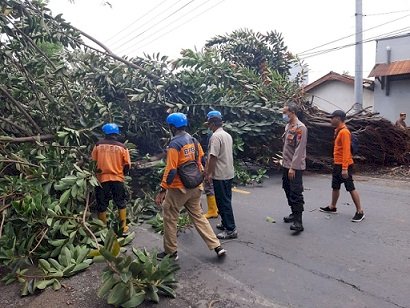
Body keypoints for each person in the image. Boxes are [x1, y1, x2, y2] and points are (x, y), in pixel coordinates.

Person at [155, 112, 226, 260]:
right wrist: (204, 176)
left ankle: (171, 252)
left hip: (179, 188)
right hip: (195, 185)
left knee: (170, 216)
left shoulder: (174, 144)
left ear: (172, 127)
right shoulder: (193, 140)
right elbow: (201, 159)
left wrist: (163, 190)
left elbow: (171, 169)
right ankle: (217, 246)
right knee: (199, 217)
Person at [320, 110, 365, 222]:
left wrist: (344, 168)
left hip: (344, 165)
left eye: (332, 117)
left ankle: (360, 211)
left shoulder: (344, 132)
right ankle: (332, 207)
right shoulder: (338, 131)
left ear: (338, 118)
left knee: (350, 188)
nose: (330, 120)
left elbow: (346, 151)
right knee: (335, 186)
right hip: (338, 164)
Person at [92, 123, 131, 235]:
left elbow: (93, 162)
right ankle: (123, 227)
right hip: (117, 178)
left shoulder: (98, 146)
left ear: (105, 133)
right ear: (116, 134)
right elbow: (127, 164)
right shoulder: (122, 147)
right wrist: (122, 174)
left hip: (102, 179)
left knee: (101, 203)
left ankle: (102, 228)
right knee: (120, 201)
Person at [205, 111, 238, 240]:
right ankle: (225, 223)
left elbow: (213, 157)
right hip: (228, 172)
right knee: (226, 199)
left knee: (223, 202)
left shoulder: (215, 137)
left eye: (209, 124)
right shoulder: (227, 135)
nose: (208, 127)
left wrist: (209, 173)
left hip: (220, 174)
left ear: (213, 124)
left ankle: (231, 229)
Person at [281, 102, 308, 232]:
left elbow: (299, 150)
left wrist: (293, 167)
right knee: (287, 188)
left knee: (296, 192)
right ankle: (293, 213)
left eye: (285, 112)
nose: (283, 114)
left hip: (294, 167)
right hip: (286, 164)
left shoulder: (300, 128)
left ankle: (299, 222)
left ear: (292, 112)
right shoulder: (288, 126)